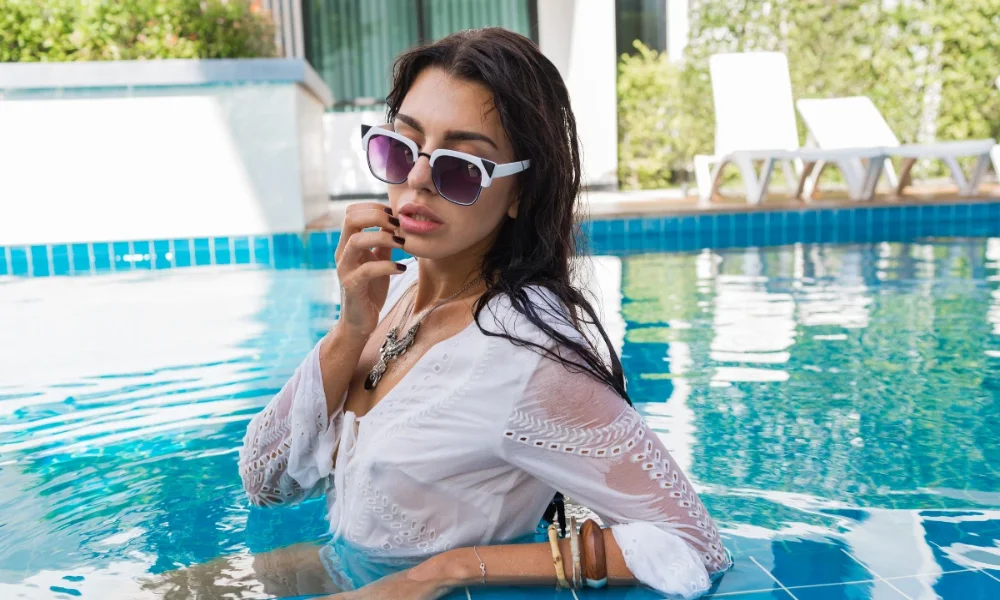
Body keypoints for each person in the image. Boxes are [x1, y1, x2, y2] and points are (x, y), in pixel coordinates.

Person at [238, 27, 731, 600]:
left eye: (460, 169)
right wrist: (350, 329)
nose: (418, 178)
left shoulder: (527, 354)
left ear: (520, 192)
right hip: (347, 572)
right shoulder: (396, 301)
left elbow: (696, 544)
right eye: (400, 149)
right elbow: (264, 482)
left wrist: (450, 570)